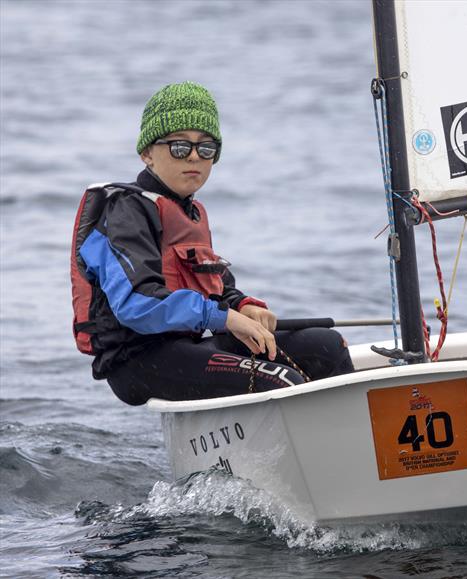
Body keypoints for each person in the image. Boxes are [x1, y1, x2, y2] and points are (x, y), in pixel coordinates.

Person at [73, 81, 353, 405]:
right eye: (180, 147)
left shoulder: (189, 213)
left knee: (328, 346)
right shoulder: (123, 210)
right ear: (147, 153)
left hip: (188, 349)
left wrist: (242, 306)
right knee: (279, 381)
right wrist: (226, 319)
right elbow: (138, 303)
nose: (194, 157)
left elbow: (216, 289)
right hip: (138, 361)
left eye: (206, 148)